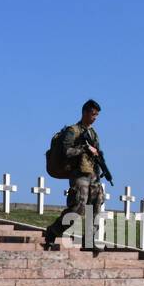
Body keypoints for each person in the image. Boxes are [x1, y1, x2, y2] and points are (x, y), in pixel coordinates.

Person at [43, 100, 104, 249]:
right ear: (85, 112)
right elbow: (66, 151)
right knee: (77, 208)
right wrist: (83, 149)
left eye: (97, 115)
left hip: (93, 174)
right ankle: (53, 231)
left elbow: (96, 154)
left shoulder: (93, 133)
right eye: (93, 114)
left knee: (96, 208)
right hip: (79, 174)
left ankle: (89, 241)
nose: (95, 117)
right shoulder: (73, 131)